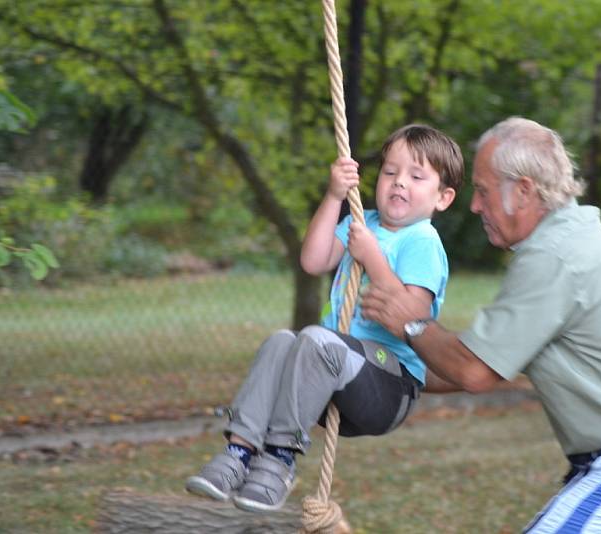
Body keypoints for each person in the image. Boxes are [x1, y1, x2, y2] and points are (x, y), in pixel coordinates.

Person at [362, 117, 601, 532]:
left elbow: (471, 371)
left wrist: (412, 323)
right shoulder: (564, 243)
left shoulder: (557, 253)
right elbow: (474, 364)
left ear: (524, 190)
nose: (475, 206)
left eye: (483, 190)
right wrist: (373, 368)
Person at [186, 124, 464, 512]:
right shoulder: (359, 221)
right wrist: (334, 196)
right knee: (282, 341)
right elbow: (313, 260)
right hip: (332, 380)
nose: (399, 182)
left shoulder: (422, 242)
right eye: (389, 172)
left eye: (416, 177)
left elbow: (413, 316)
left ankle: (279, 461)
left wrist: (372, 258)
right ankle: (239, 452)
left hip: (388, 386)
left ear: (443, 198)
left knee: (316, 340)